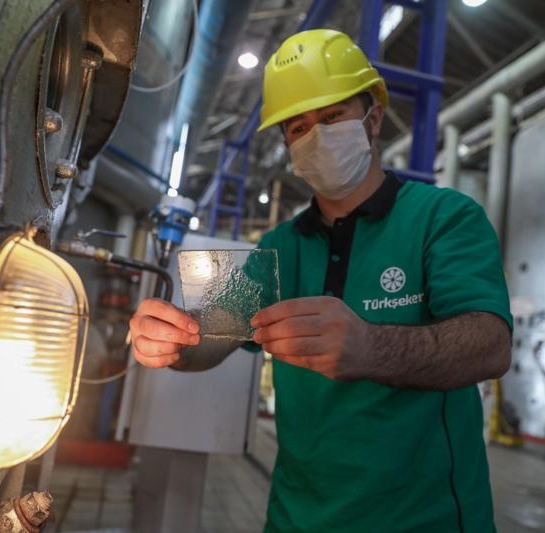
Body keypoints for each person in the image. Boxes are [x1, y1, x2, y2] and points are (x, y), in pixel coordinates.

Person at [128, 29, 512, 532]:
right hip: (297, 518)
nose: (317, 137)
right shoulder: (278, 248)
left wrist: (370, 347)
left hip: (424, 518)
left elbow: (490, 346)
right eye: (299, 127)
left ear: (373, 118)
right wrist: (174, 340)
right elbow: (214, 334)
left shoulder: (443, 217)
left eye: (332, 117)